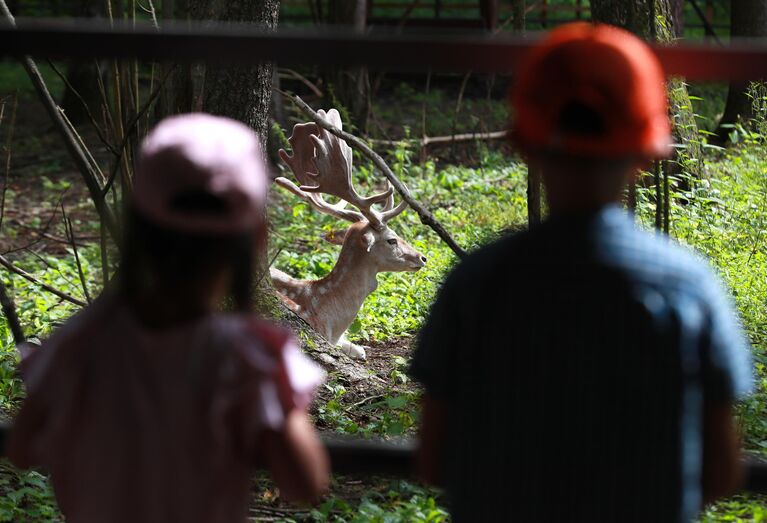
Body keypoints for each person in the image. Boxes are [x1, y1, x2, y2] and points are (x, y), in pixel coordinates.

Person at [410, 23, 753, 523]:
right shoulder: (691, 286)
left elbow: (434, 458)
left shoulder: (476, 283)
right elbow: (721, 469)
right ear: (644, 154)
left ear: (523, 144)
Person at [8, 114, 330, 522]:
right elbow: (305, 482)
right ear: (258, 236)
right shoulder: (250, 354)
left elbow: (21, 449)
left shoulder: (82, 339)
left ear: (135, 227)